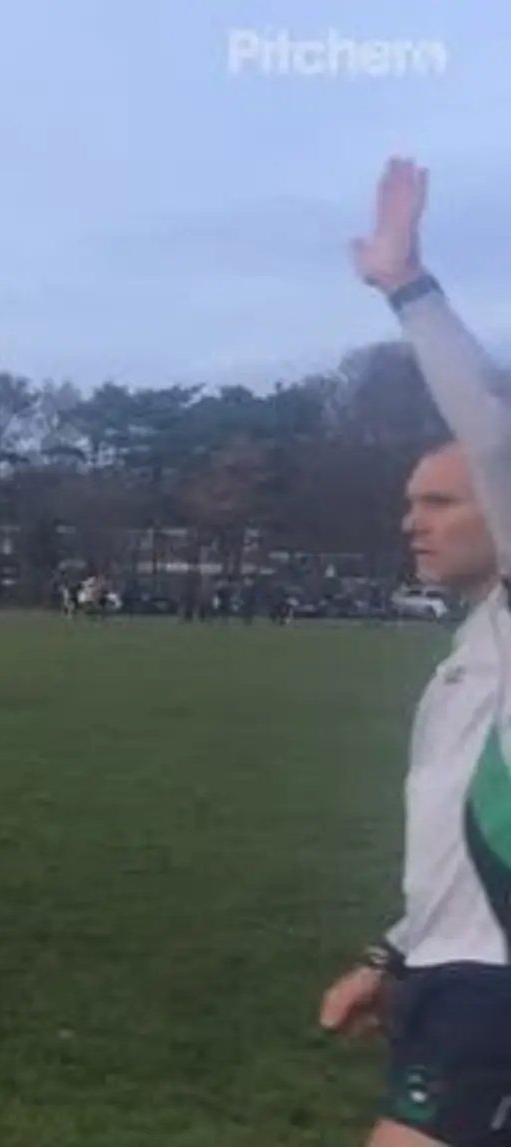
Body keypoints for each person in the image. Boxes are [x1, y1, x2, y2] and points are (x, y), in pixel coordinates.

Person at [319, 155, 511, 1147]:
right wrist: (393, 957)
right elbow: (456, 845)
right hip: (448, 977)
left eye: (438, 500)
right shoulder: (469, 654)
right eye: (406, 504)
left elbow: (490, 430)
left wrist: (405, 286)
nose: (411, 522)